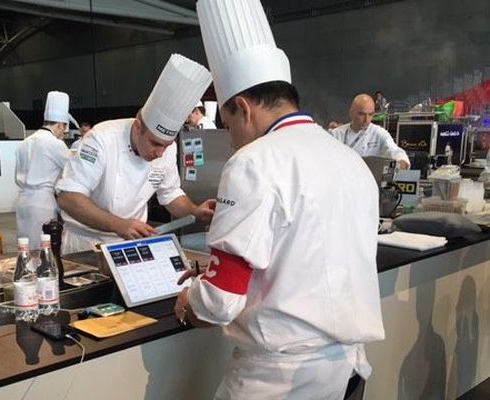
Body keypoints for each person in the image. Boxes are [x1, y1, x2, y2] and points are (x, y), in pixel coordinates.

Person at [174, 0, 385, 398]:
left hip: (279, 381)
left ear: (242, 108)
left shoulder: (251, 162)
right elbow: (307, 256)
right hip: (348, 371)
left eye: (228, 121)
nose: (231, 135)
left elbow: (221, 301)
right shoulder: (350, 160)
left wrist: (190, 300)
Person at [56, 54, 214, 254]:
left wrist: (194, 211)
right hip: (86, 245)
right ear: (138, 127)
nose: (160, 153)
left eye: (167, 145)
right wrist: (118, 225)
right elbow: (68, 197)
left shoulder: (167, 149)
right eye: (155, 143)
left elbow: (170, 193)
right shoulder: (101, 139)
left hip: (133, 243)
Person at [15, 91, 71, 249]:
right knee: (42, 247)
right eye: (63, 129)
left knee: (25, 245)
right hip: (42, 202)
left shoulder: (25, 142)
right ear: (60, 124)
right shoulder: (54, 143)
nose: (63, 134)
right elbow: (72, 168)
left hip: (22, 201)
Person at [330, 94, 410, 169]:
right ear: (351, 113)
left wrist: (401, 163)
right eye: (361, 114)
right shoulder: (336, 134)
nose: (366, 119)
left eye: (370, 114)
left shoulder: (379, 133)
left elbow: (395, 152)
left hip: (368, 180)